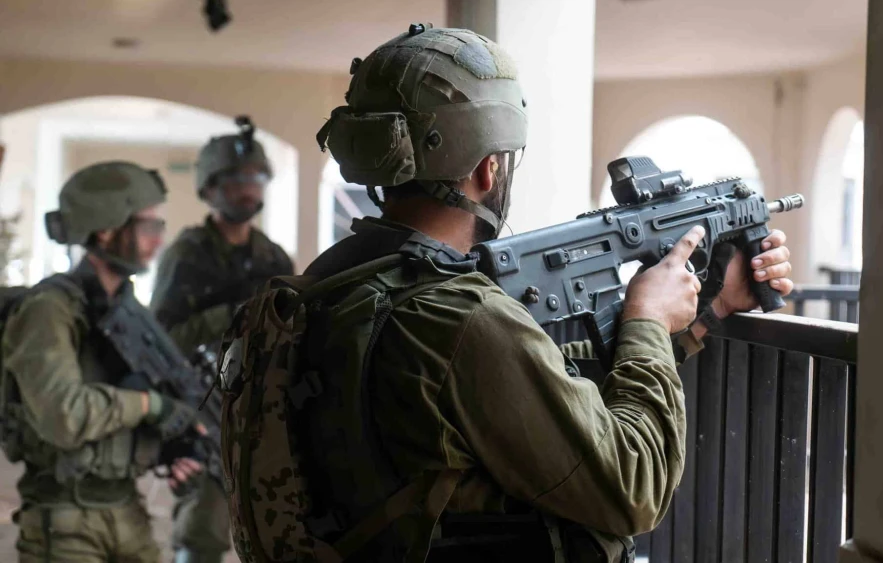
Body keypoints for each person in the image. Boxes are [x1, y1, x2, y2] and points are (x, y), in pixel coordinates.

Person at [221, 25, 794, 562]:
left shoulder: (334, 283)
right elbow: (632, 488)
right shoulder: (459, 319)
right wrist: (645, 321)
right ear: (488, 171)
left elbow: (532, 398)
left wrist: (708, 309)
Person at [0, 161, 205, 562]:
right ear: (107, 229)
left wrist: (176, 448)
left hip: (129, 511)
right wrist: (150, 406)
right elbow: (64, 416)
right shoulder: (50, 310)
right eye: (149, 227)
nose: (158, 240)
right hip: (65, 521)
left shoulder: (127, 312)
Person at [150, 115, 293, 563]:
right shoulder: (186, 254)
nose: (248, 189)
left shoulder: (273, 256)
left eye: (255, 179)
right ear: (210, 189)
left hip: (265, 407)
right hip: (204, 404)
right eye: (235, 181)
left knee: (280, 528)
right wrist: (226, 315)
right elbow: (160, 339)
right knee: (202, 530)